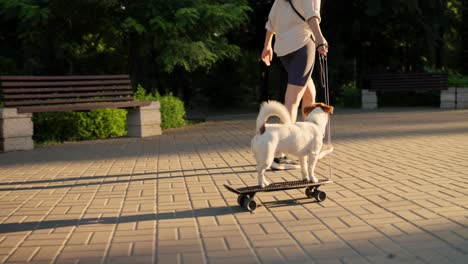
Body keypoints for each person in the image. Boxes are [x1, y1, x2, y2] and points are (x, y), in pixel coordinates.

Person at [261, 0, 329, 170]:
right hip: (303, 45)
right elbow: (312, 14)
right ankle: (280, 155)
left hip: (284, 50)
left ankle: (309, 143)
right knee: (292, 99)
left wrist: (267, 45)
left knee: (309, 94)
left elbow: (271, 23)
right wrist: (320, 38)